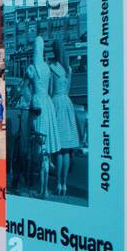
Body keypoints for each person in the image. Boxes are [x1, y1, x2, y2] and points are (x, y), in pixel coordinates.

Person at [47, 39, 81, 197]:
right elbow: (68, 88)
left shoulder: (52, 67)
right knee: (66, 150)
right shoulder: (68, 69)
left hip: (56, 104)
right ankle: (64, 185)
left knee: (59, 150)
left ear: (54, 51)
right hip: (67, 104)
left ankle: (58, 184)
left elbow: (50, 90)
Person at [26, 36, 56, 198]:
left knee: (39, 144)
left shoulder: (31, 68)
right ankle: (44, 188)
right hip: (48, 104)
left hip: (37, 103)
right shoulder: (47, 68)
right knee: (46, 148)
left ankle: (42, 190)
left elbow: (28, 89)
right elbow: (50, 90)